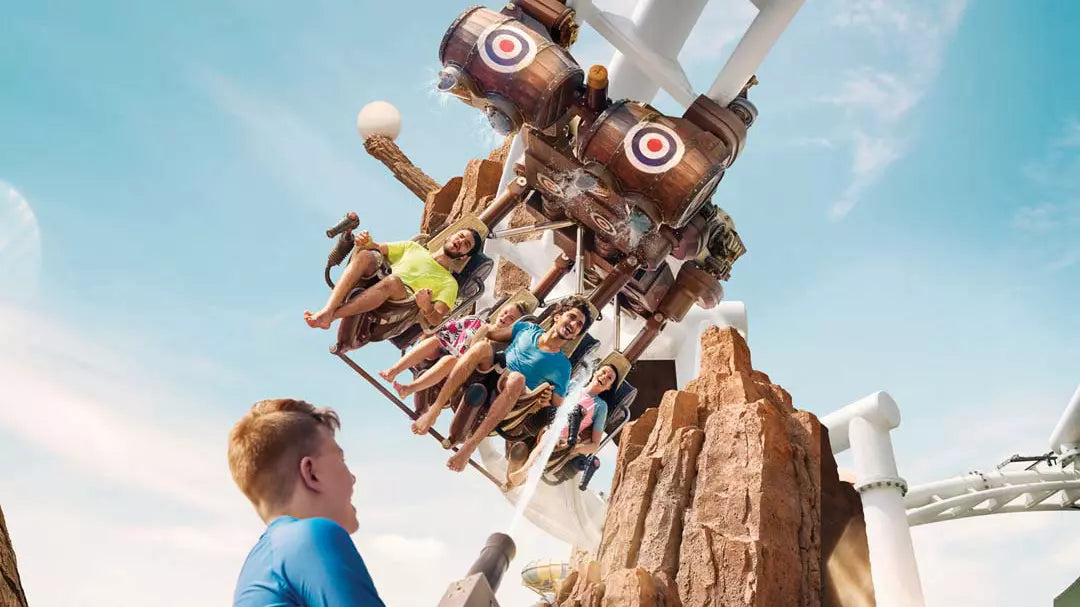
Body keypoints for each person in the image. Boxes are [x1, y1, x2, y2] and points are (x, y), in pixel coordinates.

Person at [228, 398, 385, 607]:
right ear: (311, 472)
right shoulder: (312, 536)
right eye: (341, 460)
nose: (352, 478)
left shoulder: (257, 566)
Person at [412, 295, 594, 472]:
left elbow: (558, 401)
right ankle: (434, 410)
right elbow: (492, 332)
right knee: (482, 348)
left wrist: (547, 398)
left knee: (517, 378)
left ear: (577, 334)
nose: (573, 325)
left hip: (512, 393)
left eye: (579, 325)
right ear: (557, 316)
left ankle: (468, 448)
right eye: (572, 317)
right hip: (491, 371)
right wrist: (478, 332)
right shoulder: (527, 329)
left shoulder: (563, 366)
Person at [304, 227, 482, 331]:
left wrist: (426, 306)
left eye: (466, 244)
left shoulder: (449, 283)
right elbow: (376, 248)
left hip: (399, 304)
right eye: (460, 236)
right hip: (379, 278)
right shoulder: (413, 247)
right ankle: (327, 310)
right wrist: (364, 241)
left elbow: (436, 320)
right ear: (450, 236)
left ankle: (332, 316)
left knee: (393, 281)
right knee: (366, 255)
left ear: (463, 257)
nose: (460, 241)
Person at [378, 300, 530, 399]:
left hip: (467, 370)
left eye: (511, 318)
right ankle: (393, 371)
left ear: (515, 326)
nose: (504, 317)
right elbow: (448, 331)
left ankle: (409, 388)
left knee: (449, 360)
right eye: (504, 313)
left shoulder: (506, 346)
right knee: (433, 341)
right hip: (448, 349)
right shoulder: (476, 321)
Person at [506, 363, 618, 488]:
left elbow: (594, 445)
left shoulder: (600, 406)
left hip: (563, 439)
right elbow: (553, 404)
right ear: (595, 372)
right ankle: (517, 472)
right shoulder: (574, 386)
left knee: (551, 435)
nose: (604, 377)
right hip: (545, 421)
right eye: (603, 372)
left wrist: (575, 448)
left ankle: (522, 472)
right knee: (546, 429)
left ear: (609, 387)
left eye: (609, 378)